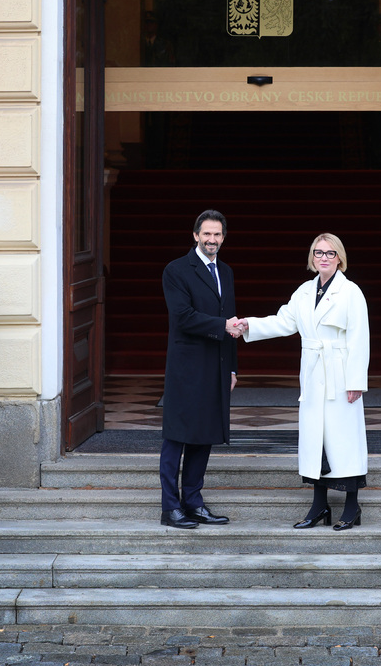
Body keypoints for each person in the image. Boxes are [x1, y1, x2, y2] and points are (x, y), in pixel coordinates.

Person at [237, 233, 370, 530]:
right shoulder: (304, 292)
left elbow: (360, 339)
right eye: (318, 253)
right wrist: (249, 325)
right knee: (316, 443)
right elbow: (283, 322)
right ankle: (319, 506)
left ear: (340, 258)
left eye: (330, 253)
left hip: (339, 376)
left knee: (344, 441)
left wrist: (355, 381)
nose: (324, 258)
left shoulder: (351, 293)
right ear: (312, 258)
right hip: (313, 375)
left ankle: (352, 506)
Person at [159, 210, 243, 529]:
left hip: (217, 364)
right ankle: (171, 508)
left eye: (217, 235)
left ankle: (193, 502)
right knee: (176, 437)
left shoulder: (226, 271)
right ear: (195, 235)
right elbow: (183, 317)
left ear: (223, 237)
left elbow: (231, 319)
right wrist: (223, 326)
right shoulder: (177, 270)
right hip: (186, 366)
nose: (212, 240)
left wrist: (233, 367)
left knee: (204, 435)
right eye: (206, 234)